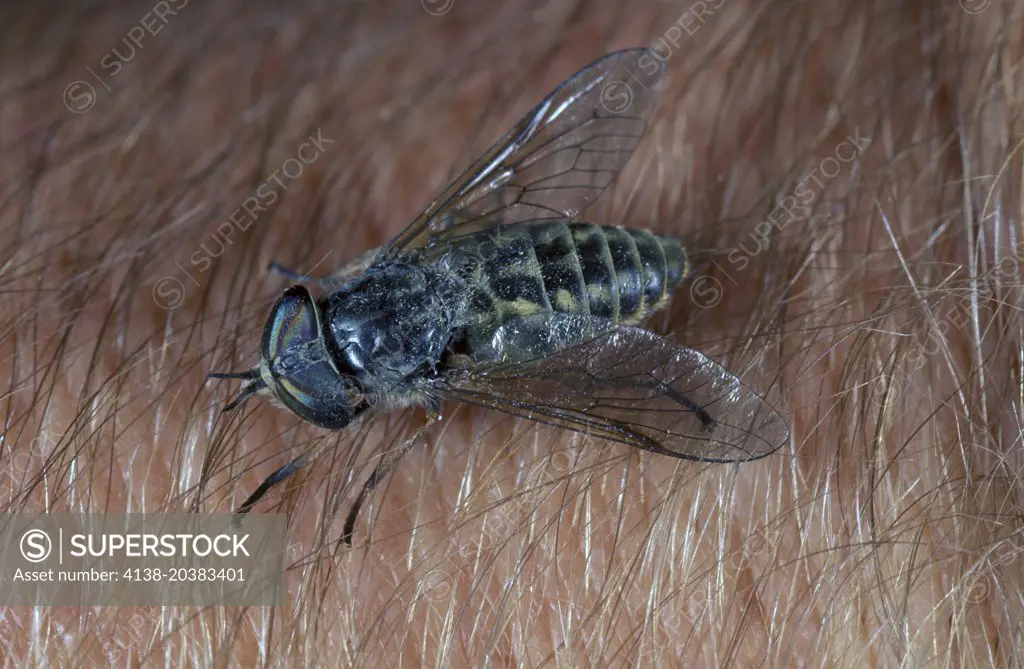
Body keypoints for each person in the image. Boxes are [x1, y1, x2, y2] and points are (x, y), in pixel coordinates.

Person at [3, 0, 1019, 665]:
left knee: (597, 392)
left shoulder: (435, 385)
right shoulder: (394, 259)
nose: (298, 341)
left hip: (569, 295)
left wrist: (345, 490)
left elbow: (586, 382)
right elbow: (535, 159)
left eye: (296, 324)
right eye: (302, 324)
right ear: (322, 292)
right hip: (492, 251)